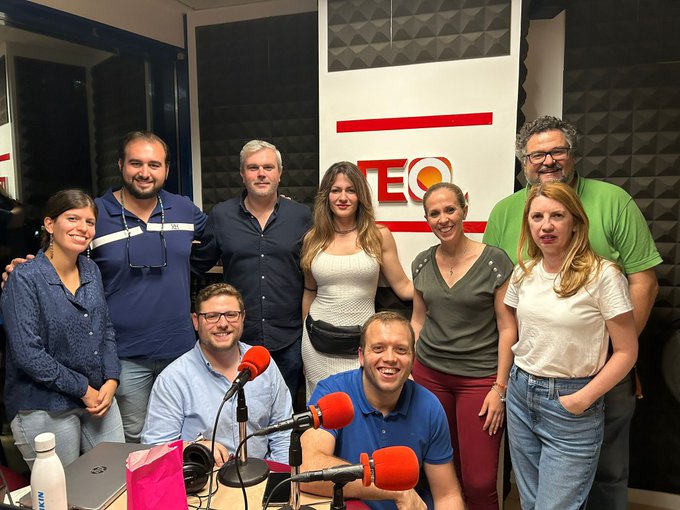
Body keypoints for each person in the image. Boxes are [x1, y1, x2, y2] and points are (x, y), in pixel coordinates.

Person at [483, 116, 661, 509]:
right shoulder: (507, 216)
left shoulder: (612, 203)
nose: (547, 161)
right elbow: (504, 303)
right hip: (527, 384)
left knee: (606, 475)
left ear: (573, 155)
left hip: (591, 377)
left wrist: (609, 360)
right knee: (537, 496)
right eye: (537, 155)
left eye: (557, 151)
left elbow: (644, 283)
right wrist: (503, 381)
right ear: (524, 163)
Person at [4, 131, 209, 443]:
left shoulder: (184, 208)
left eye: (154, 164)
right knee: (132, 445)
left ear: (166, 169)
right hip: (124, 357)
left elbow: (218, 239)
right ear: (121, 165)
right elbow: (63, 255)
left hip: (179, 349)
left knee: (185, 435)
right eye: (136, 163)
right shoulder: (95, 213)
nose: (144, 172)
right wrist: (25, 268)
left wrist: (273, 204)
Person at [503, 181, 638, 509]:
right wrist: (504, 385)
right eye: (537, 217)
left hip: (570, 402)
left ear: (575, 222)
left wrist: (582, 399)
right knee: (531, 503)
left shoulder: (604, 275)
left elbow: (626, 351)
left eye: (557, 216)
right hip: (521, 395)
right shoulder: (523, 272)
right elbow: (514, 330)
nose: (546, 226)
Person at [410, 182, 515, 510]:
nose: (443, 219)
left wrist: (500, 388)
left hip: (479, 381)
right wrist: (408, 368)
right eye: (434, 213)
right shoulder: (421, 262)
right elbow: (418, 320)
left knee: (479, 482)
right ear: (427, 219)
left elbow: (507, 327)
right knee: (443, 472)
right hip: (429, 377)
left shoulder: (495, 262)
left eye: (450, 210)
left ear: (464, 210)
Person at [1, 189, 124, 467]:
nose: (82, 228)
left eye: (89, 222)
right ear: (49, 224)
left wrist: (111, 379)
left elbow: (105, 329)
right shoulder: (25, 278)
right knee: (63, 488)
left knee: (116, 476)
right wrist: (83, 389)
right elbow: (28, 354)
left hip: (98, 397)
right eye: (72, 218)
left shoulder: (91, 270)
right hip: (44, 404)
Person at [300, 311, 466, 510]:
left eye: (401, 350)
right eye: (378, 348)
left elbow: (447, 495)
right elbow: (306, 469)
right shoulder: (333, 394)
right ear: (361, 356)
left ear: (413, 359)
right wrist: (394, 491)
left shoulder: (429, 406)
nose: (390, 358)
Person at [191, 140, 312, 400]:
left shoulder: (302, 216)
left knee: (284, 412)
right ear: (242, 174)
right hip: (236, 340)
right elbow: (196, 264)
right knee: (237, 411)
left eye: (268, 167)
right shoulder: (221, 216)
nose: (261, 174)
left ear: (280, 173)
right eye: (253, 167)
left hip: (288, 339)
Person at [141, 283, 293, 465]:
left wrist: (277, 476)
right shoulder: (173, 379)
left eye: (231, 315)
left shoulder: (262, 364)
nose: (222, 324)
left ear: (242, 317)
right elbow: (155, 450)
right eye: (211, 316)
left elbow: (283, 434)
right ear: (196, 321)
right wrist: (192, 448)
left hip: (262, 475)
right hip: (204, 479)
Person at [300, 162, 413, 399]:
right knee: (322, 408)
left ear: (360, 195)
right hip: (317, 345)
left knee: (362, 406)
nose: (343, 197)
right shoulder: (313, 238)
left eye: (350, 190)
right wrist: (305, 332)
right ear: (326, 196)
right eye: (336, 190)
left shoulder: (378, 235)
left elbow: (403, 287)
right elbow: (310, 291)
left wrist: (442, 289)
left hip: (363, 344)